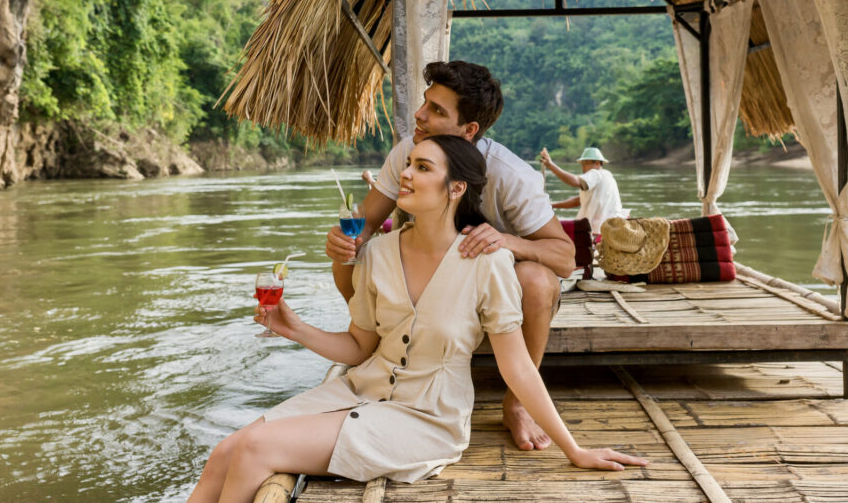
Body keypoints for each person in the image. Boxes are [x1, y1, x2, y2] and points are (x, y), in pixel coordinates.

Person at [188, 135, 647, 501]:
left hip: (427, 417)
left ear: (456, 189)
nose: (405, 173)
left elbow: (518, 366)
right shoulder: (377, 253)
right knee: (224, 452)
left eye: (422, 167)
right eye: (409, 163)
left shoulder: (486, 262)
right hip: (360, 390)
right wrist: (294, 328)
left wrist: (575, 449)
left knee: (252, 449)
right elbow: (360, 348)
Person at [325, 61, 575, 452]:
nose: (419, 115)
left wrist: (509, 242)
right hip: (431, 279)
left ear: (469, 130)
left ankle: (519, 402)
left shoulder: (510, 175)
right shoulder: (407, 154)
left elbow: (565, 257)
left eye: (437, 111)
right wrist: (344, 240)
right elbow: (365, 223)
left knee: (538, 280)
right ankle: (371, 347)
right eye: (425, 103)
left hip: (493, 284)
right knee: (351, 259)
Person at [539, 146, 625, 236]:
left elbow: (575, 182)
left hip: (597, 230)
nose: (583, 167)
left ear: (597, 163)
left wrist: (550, 165)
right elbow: (578, 200)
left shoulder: (595, 173)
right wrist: (552, 205)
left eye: (585, 163)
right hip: (612, 227)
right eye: (582, 164)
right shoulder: (607, 176)